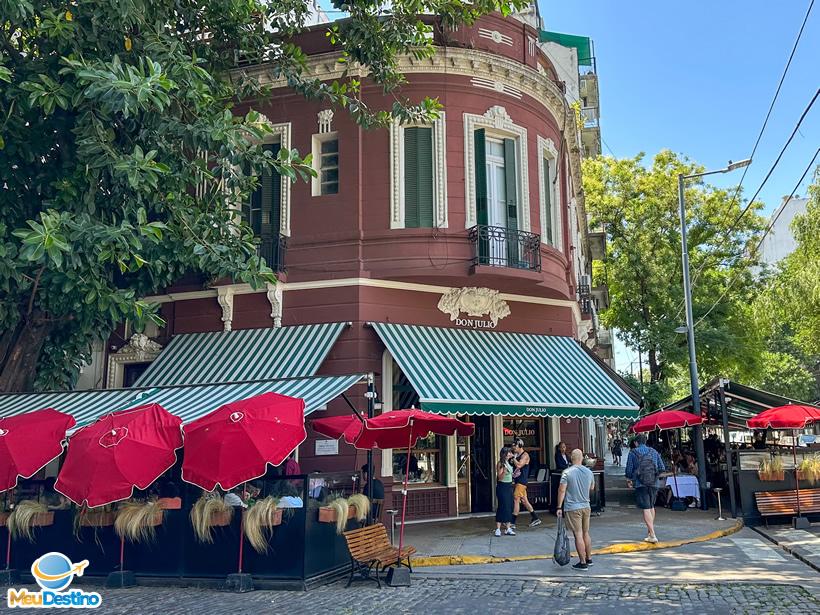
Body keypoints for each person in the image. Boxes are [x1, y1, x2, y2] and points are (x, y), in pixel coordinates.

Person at [556, 449, 595, 571]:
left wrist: (559, 506)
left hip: (573, 507)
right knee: (585, 533)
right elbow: (592, 488)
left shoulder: (567, 472)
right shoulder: (589, 472)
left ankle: (582, 562)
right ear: (582, 458)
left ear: (571, 459)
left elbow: (562, 490)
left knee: (578, 534)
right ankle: (589, 558)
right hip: (586, 506)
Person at [625, 433, 666, 543]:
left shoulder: (633, 453)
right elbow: (662, 468)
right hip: (654, 483)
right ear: (646, 441)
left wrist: (629, 480)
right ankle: (649, 532)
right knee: (651, 506)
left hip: (641, 483)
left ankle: (652, 534)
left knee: (646, 508)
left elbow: (629, 470)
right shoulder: (654, 452)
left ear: (636, 442)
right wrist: (655, 476)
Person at [510, 439, 541, 528]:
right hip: (517, 480)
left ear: (520, 446)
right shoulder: (516, 454)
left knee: (516, 499)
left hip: (521, 481)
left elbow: (519, 465)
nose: (513, 448)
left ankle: (512, 522)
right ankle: (535, 518)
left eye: (514, 446)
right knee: (524, 501)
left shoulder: (525, 455)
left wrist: (513, 458)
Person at [494, 447, 515, 537]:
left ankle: (508, 528)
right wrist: (504, 472)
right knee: (502, 506)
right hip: (502, 486)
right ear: (504, 454)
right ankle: (498, 529)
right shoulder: (501, 464)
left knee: (510, 506)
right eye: (508, 452)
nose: (510, 454)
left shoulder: (508, 462)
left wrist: (513, 474)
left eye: (510, 452)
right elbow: (500, 477)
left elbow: (510, 474)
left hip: (509, 486)